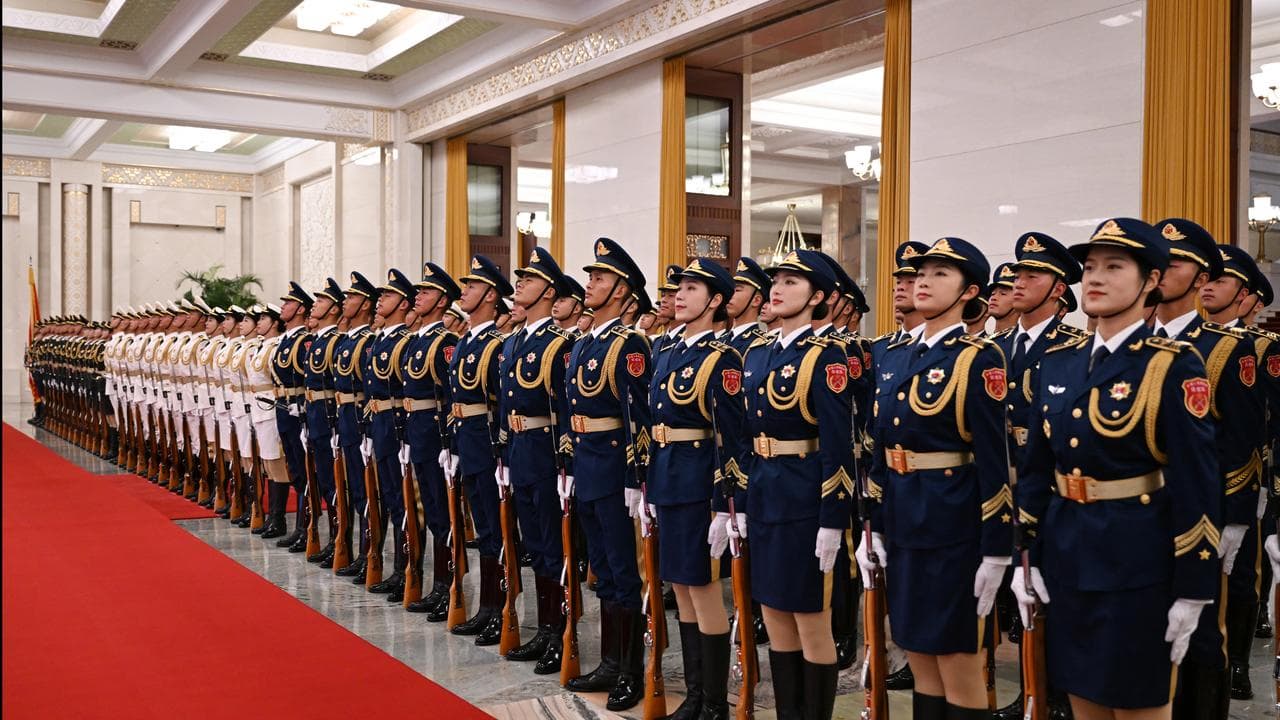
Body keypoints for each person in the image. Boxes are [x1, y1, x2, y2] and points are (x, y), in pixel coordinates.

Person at [1013, 217, 1220, 718]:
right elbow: (1038, 470)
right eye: (1089, 267)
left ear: (1151, 280)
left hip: (1137, 566)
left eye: (1114, 266)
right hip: (1067, 559)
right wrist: (1028, 557)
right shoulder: (1059, 363)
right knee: (1083, 699)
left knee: (1136, 706)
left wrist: (1193, 590)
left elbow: (1198, 483)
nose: (1096, 278)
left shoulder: (1172, 365)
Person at [858, 237, 1010, 720]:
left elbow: (995, 461)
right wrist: (875, 526)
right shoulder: (898, 355)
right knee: (917, 649)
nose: (923, 281)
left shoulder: (978, 359)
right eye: (921, 273)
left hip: (952, 525)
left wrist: (996, 548)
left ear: (971, 293)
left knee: (958, 659)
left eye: (941, 274)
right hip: (904, 518)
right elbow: (882, 452)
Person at [737, 249, 852, 720]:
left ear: (819, 297)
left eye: (791, 282)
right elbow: (746, 436)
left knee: (811, 619)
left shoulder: (827, 357)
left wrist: (833, 520)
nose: (777, 289)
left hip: (805, 500)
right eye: (776, 281)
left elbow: (838, 445)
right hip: (765, 494)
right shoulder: (759, 352)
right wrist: (741, 502)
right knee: (773, 613)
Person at [634, 258, 744, 720]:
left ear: (716, 301)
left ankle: (714, 702)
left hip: (700, 483)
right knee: (679, 586)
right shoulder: (669, 350)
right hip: (667, 478)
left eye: (692, 288)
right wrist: (645, 488)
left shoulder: (723, 358)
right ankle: (695, 696)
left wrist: (724, 506)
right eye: (679, 287)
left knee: (701, 588)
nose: (679, 295)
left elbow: (732, 438)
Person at [562, 238, 653, 710]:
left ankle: (631, 671)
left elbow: (638, 416)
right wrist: (568, 463)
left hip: (616, 469)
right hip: (587, 465)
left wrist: (636, 479)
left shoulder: (630, 343)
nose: (590, 284)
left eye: (599, 278)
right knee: (602, 573)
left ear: (621, 291)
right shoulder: (585, 343)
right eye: (592, 277)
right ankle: (610, 662)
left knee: (623, 571)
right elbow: (569, 409)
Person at [496, 248, 577, 671]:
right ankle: (544, 629)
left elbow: (566, 406)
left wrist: (566, 463)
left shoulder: (559, 344)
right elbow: (504, 404)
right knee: (532, 544)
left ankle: (561, 633)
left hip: (547, 453)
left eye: (526, 281)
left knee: (552, 547)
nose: (518, 287)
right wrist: (503, 453)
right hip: (520, 451)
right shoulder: (514, 341)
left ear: (548, 291)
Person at [443, 255, 512, 644]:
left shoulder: (495, 344)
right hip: (467, 442)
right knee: (483, 527)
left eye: (471, 286)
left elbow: (502, 403)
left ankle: (503, 607)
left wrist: (503, 454)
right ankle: (487, 607)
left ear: (489, 295)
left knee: (498, 528)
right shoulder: (466, 340)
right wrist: (452, 446)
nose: (464, 291)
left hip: (489, 446)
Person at [401, 262, 461, 620]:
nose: (417, 297)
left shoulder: (445, 342)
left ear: (441, 301)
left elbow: (450, 396)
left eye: (424, 292)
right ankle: (437, 586)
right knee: (429, 512)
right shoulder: (416, 341)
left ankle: (448, 586)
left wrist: (448, 444)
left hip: (436, 437)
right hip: (416, 432)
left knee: (443, 513)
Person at [330, 273, 379, 577]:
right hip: (345, 420)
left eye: (351, 297)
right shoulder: (346, 340)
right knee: (353, 491)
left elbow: (371, 389)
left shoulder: (368, 341)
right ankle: (357, 551)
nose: (345, 302)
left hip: (362, 422)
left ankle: (368, 552)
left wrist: (368, 431)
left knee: (367, 492)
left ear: (365, 304)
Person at [270, 282, 313, 545]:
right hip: (283, 410)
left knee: (304, 469)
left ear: (300, 309)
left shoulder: (304, 340)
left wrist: (302, 406)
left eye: (288, 303)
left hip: (297, 411)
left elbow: (307, 377)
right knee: (294, 468)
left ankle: (306, 527)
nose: (283, 306)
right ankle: (300, 527)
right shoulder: (286, 340)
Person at [988, 263, 1021, 334]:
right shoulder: (984, 342)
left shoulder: (1019, 342)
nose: (994, 298)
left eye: (1003, 294)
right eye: (992, 294)